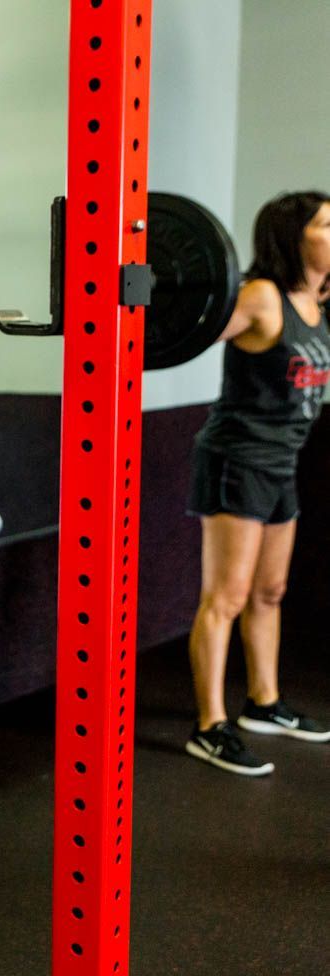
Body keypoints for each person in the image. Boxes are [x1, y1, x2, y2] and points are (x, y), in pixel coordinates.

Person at [184, 190, 330, 776]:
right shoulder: (263, 297)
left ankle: (264, 703)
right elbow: (186, 330)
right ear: (294, 237)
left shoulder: (318, 301)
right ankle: (209, 726)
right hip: (237, 461)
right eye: (326, 223)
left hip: (283, 463)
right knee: (226, 599)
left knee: (270, 593)